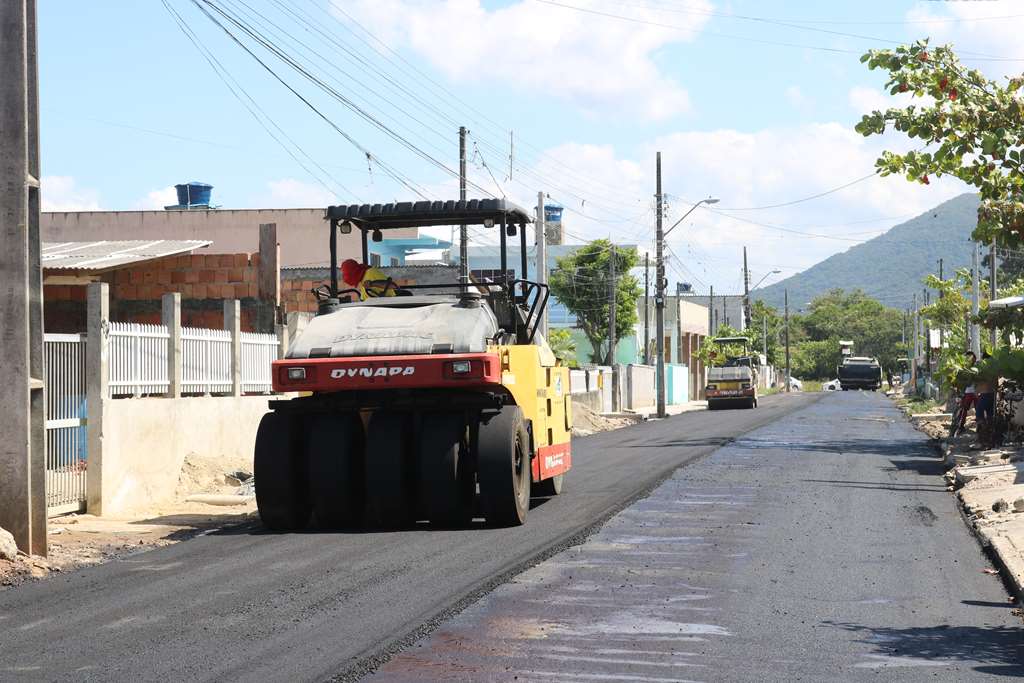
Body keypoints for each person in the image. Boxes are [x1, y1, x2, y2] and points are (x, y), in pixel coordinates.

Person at [953, 351, 977, 437]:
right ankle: (960, 426)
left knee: (978, 410)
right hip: (967, 392)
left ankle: (980, 427)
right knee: (964, 409)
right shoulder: (962, 369)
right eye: (967, 358)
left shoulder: (977, 367)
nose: (969, 360)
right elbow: (958, 381)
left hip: (977, 392)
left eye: (971, 358)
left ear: (974, 359)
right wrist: (958, 392)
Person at [976, 351, 995, 445]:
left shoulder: (982, 369)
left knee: (980, 416)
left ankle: (983, 438)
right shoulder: (994, 369)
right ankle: (990, 439)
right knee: (990, 416)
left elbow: (978, 383)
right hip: (993, 395)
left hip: (984, 395)